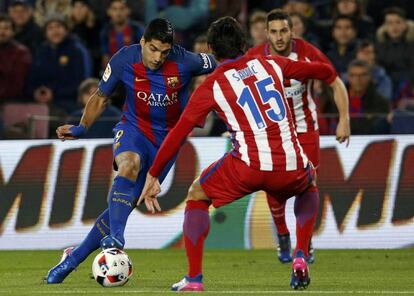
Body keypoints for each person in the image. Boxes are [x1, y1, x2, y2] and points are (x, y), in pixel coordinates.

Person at [138, 16, 349, 291]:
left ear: (211, 51)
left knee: (197, 195)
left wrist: (154, 175)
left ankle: (193, 279)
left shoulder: (211, 86)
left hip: (247, 167)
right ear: (244, 43)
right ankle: (300, 254)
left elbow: (177, 134)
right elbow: (322, 71)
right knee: (309, 182)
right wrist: (327, 75)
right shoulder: (272, 63)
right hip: (290, 163)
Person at [45, 18, 216, 284]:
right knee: (128, 164)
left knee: (121, 210)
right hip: (134, 129)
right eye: (153, 49)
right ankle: (117, 240)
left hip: (168, 142)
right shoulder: (124, 59)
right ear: (143, 42)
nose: (158, 57)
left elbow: (224, 63)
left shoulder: (187, 61)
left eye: (165, 52)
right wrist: (81, 128)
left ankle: (72, 258)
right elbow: (101, 97)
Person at [246, 9, 350, 264]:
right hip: (272, 135)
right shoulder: (254, 57)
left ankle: (303, 243)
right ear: (266, 33)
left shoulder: (307, 52)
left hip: (305, 131)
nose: (279, 37)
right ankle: (283, 234)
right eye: (274, 32)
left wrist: (344, 119)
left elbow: (335, 81)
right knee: (274, 189)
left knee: (308, 186)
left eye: (284, 31)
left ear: (292, 31)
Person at [28, 15, 92, 113]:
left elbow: (82, 82)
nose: (55, 31)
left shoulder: (76, 50)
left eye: (58, 26)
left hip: (70, 101)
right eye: (50, 28)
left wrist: (54, 93)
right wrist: (35, 92)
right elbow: (33, 76)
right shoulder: (41, 50)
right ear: (45, 33)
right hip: (42, 100)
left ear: (66, 30)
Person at [346, 59, 390, 134]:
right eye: (353, 75)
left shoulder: (380, 102)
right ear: (348, 77)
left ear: (369, 77)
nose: (358, 79)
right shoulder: (337, 98)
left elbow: (378, 129)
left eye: (362, 75)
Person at [100, 0, 144, 70]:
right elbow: (105, 57)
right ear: (108, 12)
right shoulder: (105, 32)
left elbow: (144, 55)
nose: (118, 13)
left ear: (128, 11)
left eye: (122, 9)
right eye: (114, 9)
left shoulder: (137, 30)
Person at [0, 13, 31, 103]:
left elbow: (16, 86)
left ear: (13, 32)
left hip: (11, 101)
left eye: (6, 28)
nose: (2, 32)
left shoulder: (21, 52)